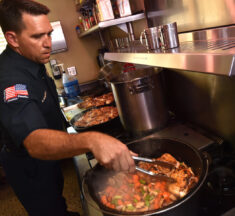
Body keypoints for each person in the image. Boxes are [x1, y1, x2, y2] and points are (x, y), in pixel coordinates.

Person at [0, 0, 136, 216]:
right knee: (47, 209)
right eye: (37, 36)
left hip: (47, 157)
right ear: (12, 39)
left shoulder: (30, 58)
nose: (48, 44)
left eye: (49, 34)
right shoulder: (9, 79)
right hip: (29, 166)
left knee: (56, 199)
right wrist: (92, 140)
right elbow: (34, 141)